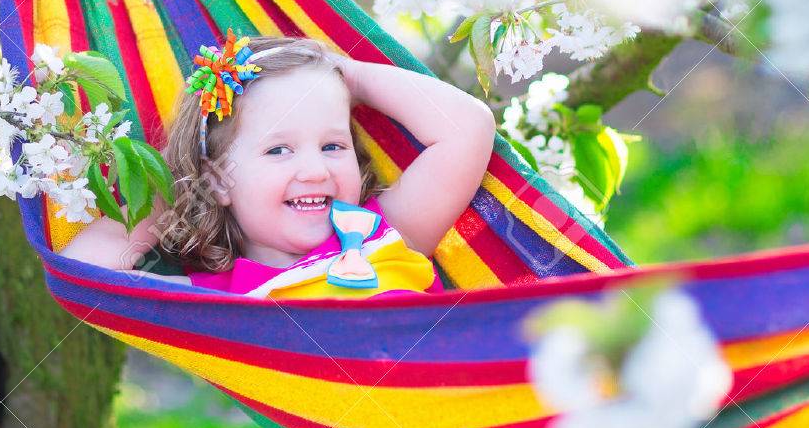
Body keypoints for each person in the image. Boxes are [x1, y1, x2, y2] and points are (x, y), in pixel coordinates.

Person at [58, 33, 496, 298]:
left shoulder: (384, 233)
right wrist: (175, 184)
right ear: (218, 181)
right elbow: (81, 275)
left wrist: (348, 75)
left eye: (332, 146)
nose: (314, 171)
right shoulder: (223, 301)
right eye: (278, 151)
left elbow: (468, 128)